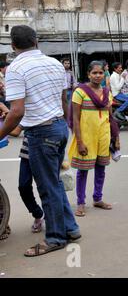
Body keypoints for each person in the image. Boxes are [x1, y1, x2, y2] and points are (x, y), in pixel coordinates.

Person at [0, 25, 80, 257]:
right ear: (36, 41)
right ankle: (71, 228)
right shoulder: (54, 63)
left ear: (13, 46)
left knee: (47, 188)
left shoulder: (16, 68)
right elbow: (64, 98)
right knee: (54, 183)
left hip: (41, 133)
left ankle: (55, 238)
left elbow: (16, 112)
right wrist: (65, 126)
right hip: (58, 127)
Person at [68, 61, 120, 217]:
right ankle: (81, 203)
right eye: (94, 73)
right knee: (82, 171)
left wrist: (116, 136)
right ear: (88, 74)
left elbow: (110, 117)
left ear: (104, 74)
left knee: (101, 168)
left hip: (103, 136)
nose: (98, 76)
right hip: (86, 137)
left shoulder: (107, 92)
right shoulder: (80, 92)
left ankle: (97, 198)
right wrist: (79, 141)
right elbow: (75, 119)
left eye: (100, 73)